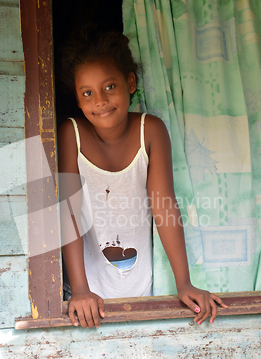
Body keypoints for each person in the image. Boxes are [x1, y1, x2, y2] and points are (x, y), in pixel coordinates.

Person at [58, 28, 227, 329]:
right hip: (85, 295)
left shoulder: (150, 130)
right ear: (78, 100)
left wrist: (184, 283)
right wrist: (81, 290)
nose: (100, 101)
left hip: (142, 289)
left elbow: (164, 207)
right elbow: (69, 214)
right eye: (87, 93)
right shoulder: (72, 134)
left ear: (130, 82)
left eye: (109, 86)